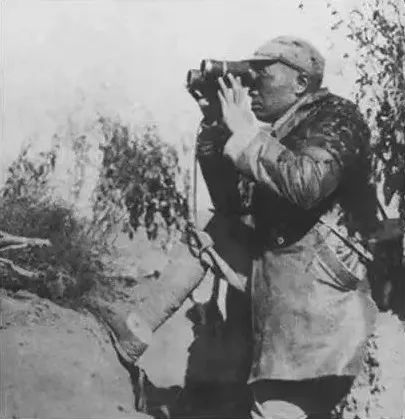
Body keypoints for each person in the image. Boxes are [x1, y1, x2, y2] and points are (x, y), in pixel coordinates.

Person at [195, 36, 380, 419]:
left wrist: (247, 136)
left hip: (321, 296)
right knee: (211, 227)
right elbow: (232, 205)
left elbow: (307, 183)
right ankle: (132, 332)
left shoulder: (337, 117)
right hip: (276, 288)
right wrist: (217, 127)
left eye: (261, 73)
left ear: (301, 82)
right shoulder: (277, 132)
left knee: (278, 407)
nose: (251, 86)